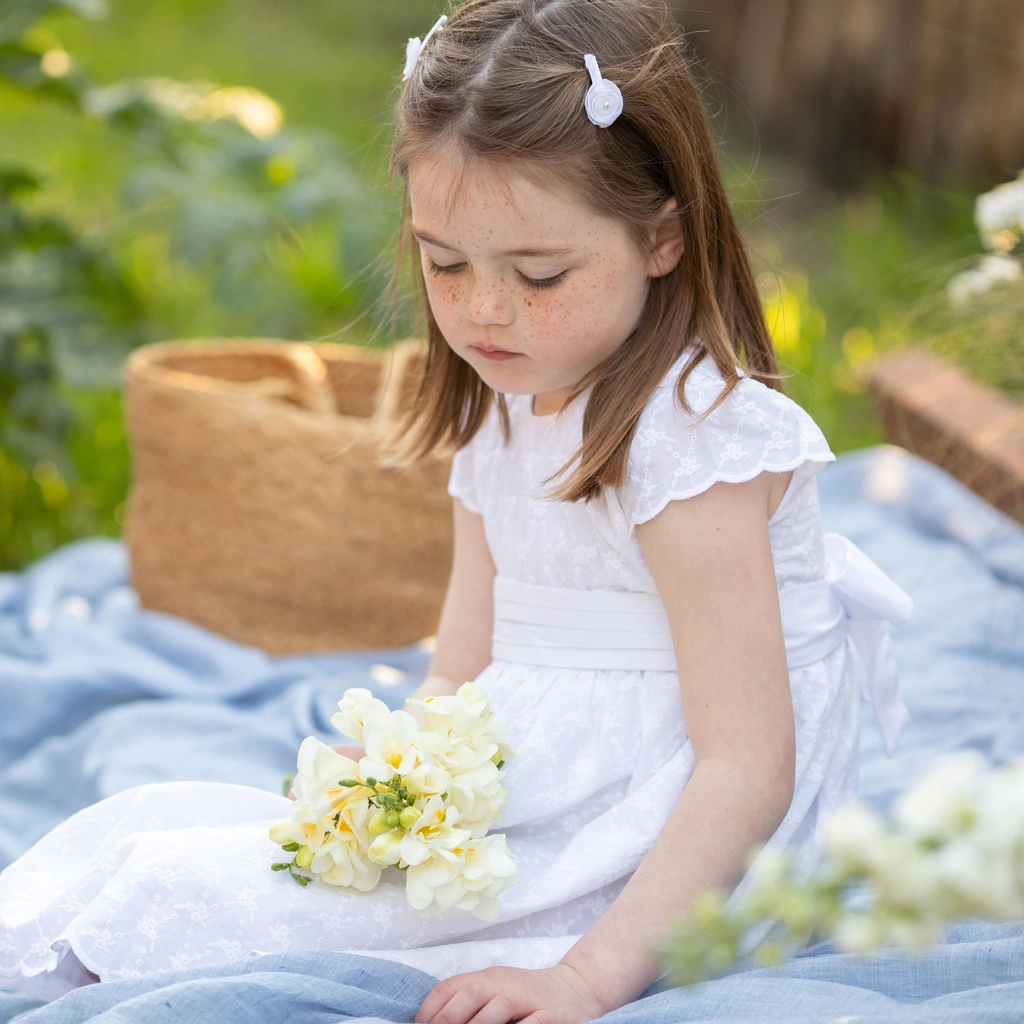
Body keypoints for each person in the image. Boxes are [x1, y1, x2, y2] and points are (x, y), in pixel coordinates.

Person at [0, 1, 913, 1020]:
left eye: (538, 273)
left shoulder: (690, 442)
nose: (483, 309)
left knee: (187, 900)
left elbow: (748, 765)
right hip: (546, 774)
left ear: (661, 239)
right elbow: (460, 663)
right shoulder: (505, 401)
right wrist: (388, 779)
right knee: (138, 835)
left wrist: (580, 975)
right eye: (445, 262)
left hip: (664, 829)